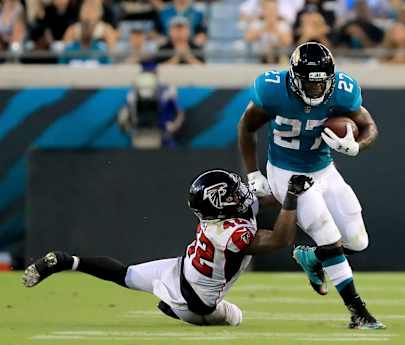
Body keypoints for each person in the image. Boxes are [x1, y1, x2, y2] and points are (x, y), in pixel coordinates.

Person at [23, 170, 313, 326]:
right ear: (219, 203)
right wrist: (291, 196)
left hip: (181, 268)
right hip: (198, 303)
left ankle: (66, 261)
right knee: (235, 318)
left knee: (124, 274)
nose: (241, 194)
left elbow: (260, 202)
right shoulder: (228, 232)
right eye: (232, 193)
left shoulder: (220, 218)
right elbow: (279, 239)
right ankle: (175, 309)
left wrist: (289, 190)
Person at [237, 42, 385, 330]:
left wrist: (357, 146)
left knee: (357, 241)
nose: (317, 90)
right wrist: (252, 173)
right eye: (309, 83)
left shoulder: (343, 90)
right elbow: (246, 125)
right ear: (294, 78)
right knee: (327, 234)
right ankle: (358, 311)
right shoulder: (272, 90)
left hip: (324, 171)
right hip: (286, 173)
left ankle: (312, 257)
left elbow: (369, 127)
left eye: (321, 84)